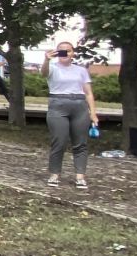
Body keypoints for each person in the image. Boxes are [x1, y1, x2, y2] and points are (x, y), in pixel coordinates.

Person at [42, 40, 99, 189]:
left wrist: (93, 113)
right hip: (58, 105)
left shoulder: (80, 70)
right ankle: (54, 174)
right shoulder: (53, 68)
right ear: (56, 53)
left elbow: (88, 93)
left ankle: (80, 176)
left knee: (80, 143)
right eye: (61, 50)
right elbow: (44, 73)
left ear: (73, 53)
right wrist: (46, 60)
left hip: (79, 106)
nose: (64, 53)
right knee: (59, 141)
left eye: (68, 50)